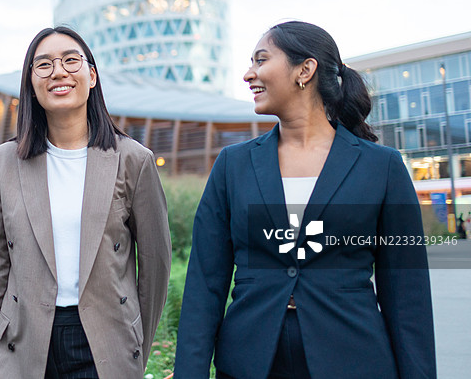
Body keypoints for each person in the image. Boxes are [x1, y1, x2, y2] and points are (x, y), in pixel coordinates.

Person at [174, 21, 436, 379]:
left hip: (355, 361)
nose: (249, 74)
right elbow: (205, 284)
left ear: (305, 70)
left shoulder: (382, 167)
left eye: (261, 60)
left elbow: (408, 297)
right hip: (250, 363)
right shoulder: (232, 166)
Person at [0, 26, 172, 379]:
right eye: (43, 64)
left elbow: (155, 266)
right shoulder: (1, 163)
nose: (58, 71)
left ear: (91, 76)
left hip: (105, 347)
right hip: (21, 347)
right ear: (31, 83)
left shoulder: (133, 159)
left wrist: (135, 342)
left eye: (70, 60)